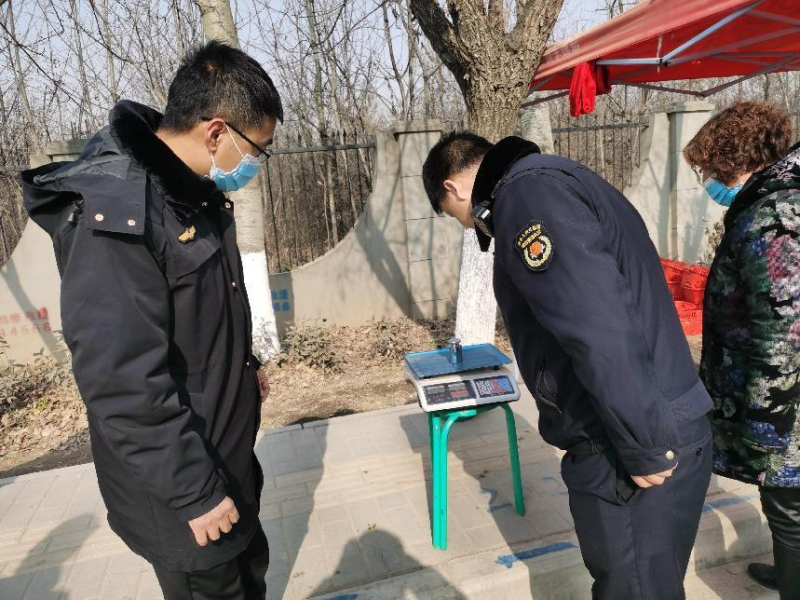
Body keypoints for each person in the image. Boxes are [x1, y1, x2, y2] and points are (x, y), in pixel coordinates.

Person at [22, 41, 281, 600]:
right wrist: (194, 493)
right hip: (185, 496)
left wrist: (245, 364)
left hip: (225, 455)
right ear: (216, 132)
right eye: (257, 149)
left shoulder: (192, 192)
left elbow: (201, 309)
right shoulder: (118, 216)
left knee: (250, 575)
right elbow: (121, 380)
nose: (256, 164)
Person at [422, 132, 714, 599]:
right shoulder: (553, 179)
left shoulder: (528, 198)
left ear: (451, 187)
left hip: (625, 444)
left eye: (453, 215)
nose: (465, 223)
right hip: (652, 419)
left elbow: (598, 327)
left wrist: (643, 443)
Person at [683, 101, 799, 598]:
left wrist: (766, 424)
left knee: (789, 504)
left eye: (710, 170)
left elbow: (783, 331)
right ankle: (789, 571)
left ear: (735, 160)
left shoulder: (774, 218)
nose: (709, 181)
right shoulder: (773, 203)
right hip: (783, 395)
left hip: (785, 402)